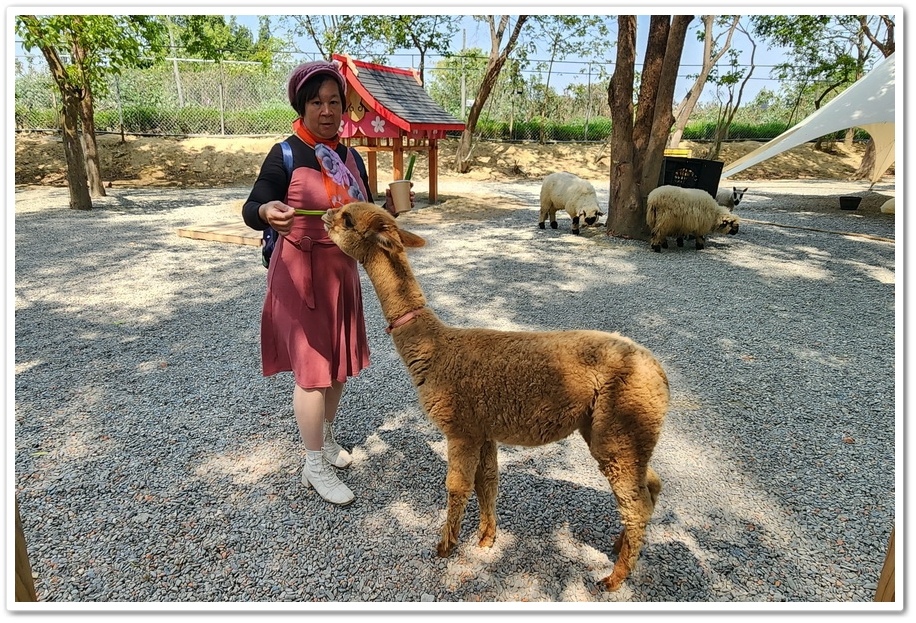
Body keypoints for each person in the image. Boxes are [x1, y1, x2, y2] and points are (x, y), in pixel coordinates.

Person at [242, 59, 413, 506]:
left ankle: (328, 438)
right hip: (300, 275)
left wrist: (394, 213)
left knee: (338, 366)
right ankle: (312, 463)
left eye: (334, 101)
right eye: (316, 102)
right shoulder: (286, 152)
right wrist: (266, 213)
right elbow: (253, 204)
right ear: (302, 105)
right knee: (314, 375)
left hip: (342, 274)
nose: (326, 110)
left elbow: (368, 211)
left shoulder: (350, 156)